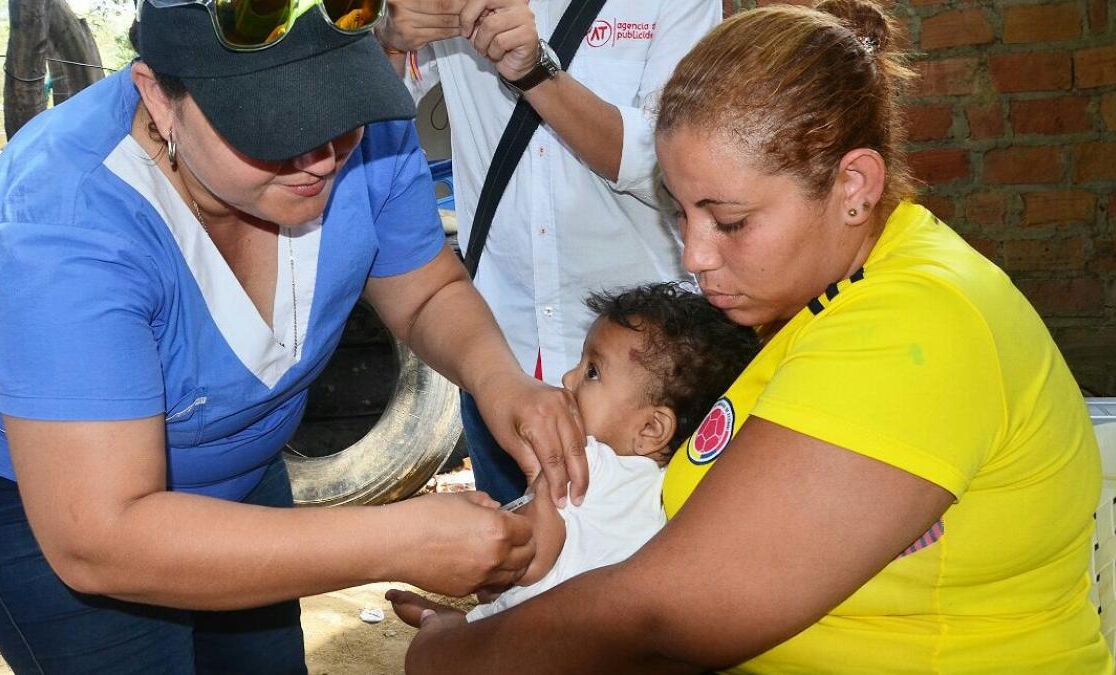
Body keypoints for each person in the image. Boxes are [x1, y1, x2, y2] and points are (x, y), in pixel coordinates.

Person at [401, 1, 1112, 672]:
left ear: (855, 185)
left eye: (730, 221)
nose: (695, 256)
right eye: (681, 215)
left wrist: (448, 654)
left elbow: (662, 613)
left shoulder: (914, 328)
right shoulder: (804, 302)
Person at [0, 1, 586, 672]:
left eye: (340, 111)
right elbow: (101, 536)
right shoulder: (63, 213)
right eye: (275, 128)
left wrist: (501, 381)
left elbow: (425, 290)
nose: (322, 159)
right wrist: (393, 539)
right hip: (46, 492)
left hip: (235, 455)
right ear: (160, 97)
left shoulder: (368, 135)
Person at [376, 0, 723, 506]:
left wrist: (536, 74)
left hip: (647, 373)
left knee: (652, 559)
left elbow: (677, 162)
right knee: (512, 568)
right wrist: (386, 36)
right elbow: (367, 126)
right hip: (500, 356)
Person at [387, 282, 759, 624]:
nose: (568, 378)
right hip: (604, 646)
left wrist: (511, 503)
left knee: (464, 637)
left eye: (592, 371)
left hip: (530, 637)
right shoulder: (675, 489)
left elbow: (525, 559)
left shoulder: (583, 460)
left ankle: (446, 626)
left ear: (650, 429)